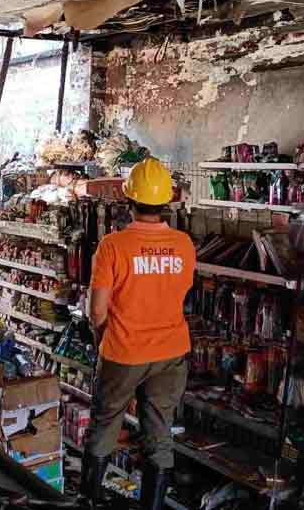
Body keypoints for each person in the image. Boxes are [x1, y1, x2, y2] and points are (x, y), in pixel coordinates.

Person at [81, 157, 196, 510]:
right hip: (172, 353)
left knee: (105, 422)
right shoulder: (184, 244)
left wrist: (101, 335)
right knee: (159, 431)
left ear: (127, 200)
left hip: (124, 351)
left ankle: (90, 500)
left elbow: (97, 310)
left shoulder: (114, 246)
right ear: (166, 201)